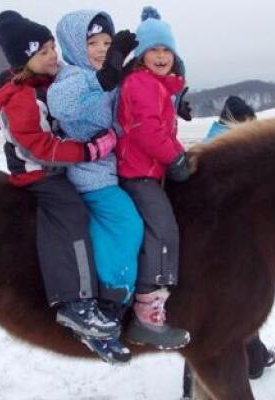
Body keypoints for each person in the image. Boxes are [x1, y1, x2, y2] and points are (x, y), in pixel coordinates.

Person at [0, 11, 121, 357]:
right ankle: (75, 303)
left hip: (55, 166)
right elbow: (40, 147)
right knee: (70, 212)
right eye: (42, 52)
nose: (53, 56)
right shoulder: (23, 97)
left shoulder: (45, 85)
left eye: (52, 47)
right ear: (25, 60)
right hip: (38, 172)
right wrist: (87, 151)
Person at [46, 10, 143, 364]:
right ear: (74, 45)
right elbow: (61, 103)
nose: (102, 49)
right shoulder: (72, 77)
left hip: (113, 168)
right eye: (93, 43)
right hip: (89, 175)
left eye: (108, 42)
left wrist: (173, 102)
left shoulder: (108, 77)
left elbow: (125, 110)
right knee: (126, 223)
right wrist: (103, 78)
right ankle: (107, 306)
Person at [181, 95, 275, 398]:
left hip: (201, 249)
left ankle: (252, 360)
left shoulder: (207, 146)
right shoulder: (241, 152)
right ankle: (253, 363)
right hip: (231, 250)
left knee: (208, 319)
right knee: (230, 314)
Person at [115, 6, 192, 350]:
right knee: (162, 228)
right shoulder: (141, 84)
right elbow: (147, 131)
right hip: (137, 173)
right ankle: (146, 313)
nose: (161, 56)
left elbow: (163, 129)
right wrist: (174, 157)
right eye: (154, 50)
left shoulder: (158, 86)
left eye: (167, 50)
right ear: (141, 55)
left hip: (149, 170)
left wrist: (180, 154)